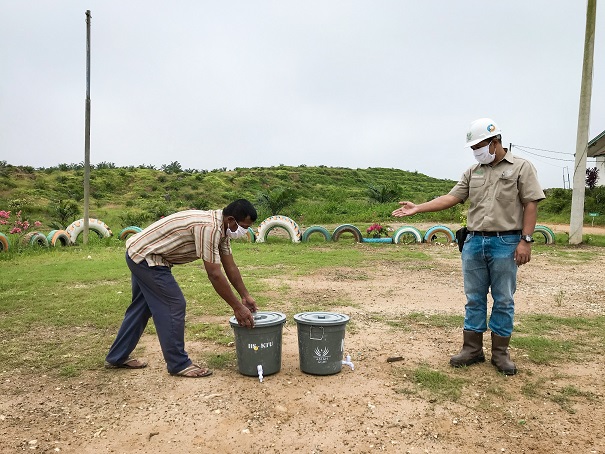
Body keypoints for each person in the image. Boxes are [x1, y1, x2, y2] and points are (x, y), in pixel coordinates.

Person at [392, 118, 545, 375]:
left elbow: (531, 203)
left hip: (505, 242)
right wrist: (419, 207)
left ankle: (500, 353)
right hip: (474, 241)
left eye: (479, 145)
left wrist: (525, 241)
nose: (476, 151)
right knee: (474, 298)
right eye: (473, 147)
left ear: (495, 142)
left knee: (504, 299)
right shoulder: (473, 171)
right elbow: (452, 197)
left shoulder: (521, 167)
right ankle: (472, 349)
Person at [104, 199, 259, 377]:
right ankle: (178, 364)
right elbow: (214, 274)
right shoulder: (209, 227)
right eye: (244, 226)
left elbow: (230, 266)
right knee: (174, 304)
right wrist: (237, 307)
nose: (245, 231)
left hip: (142, 253)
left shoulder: (222, 230)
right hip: (147, 258)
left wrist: (244, 296)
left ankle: (117, 356)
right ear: (231, 220)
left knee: (142, 307)